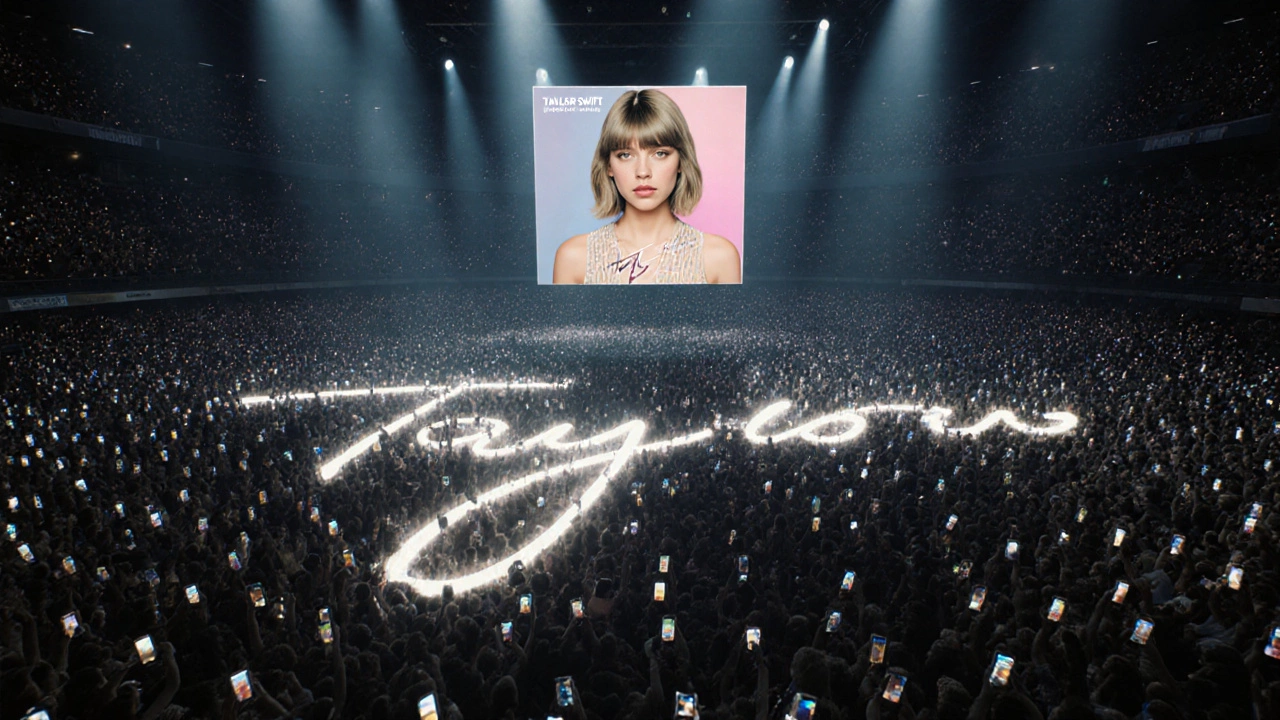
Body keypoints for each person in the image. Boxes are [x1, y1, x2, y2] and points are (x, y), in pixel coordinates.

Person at [553, 89, 741, 285]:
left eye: (660, 153)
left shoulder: (718, 258)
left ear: (681, 162)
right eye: (625, 155)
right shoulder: (574, 258)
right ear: (608, 165)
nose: (643, 172)